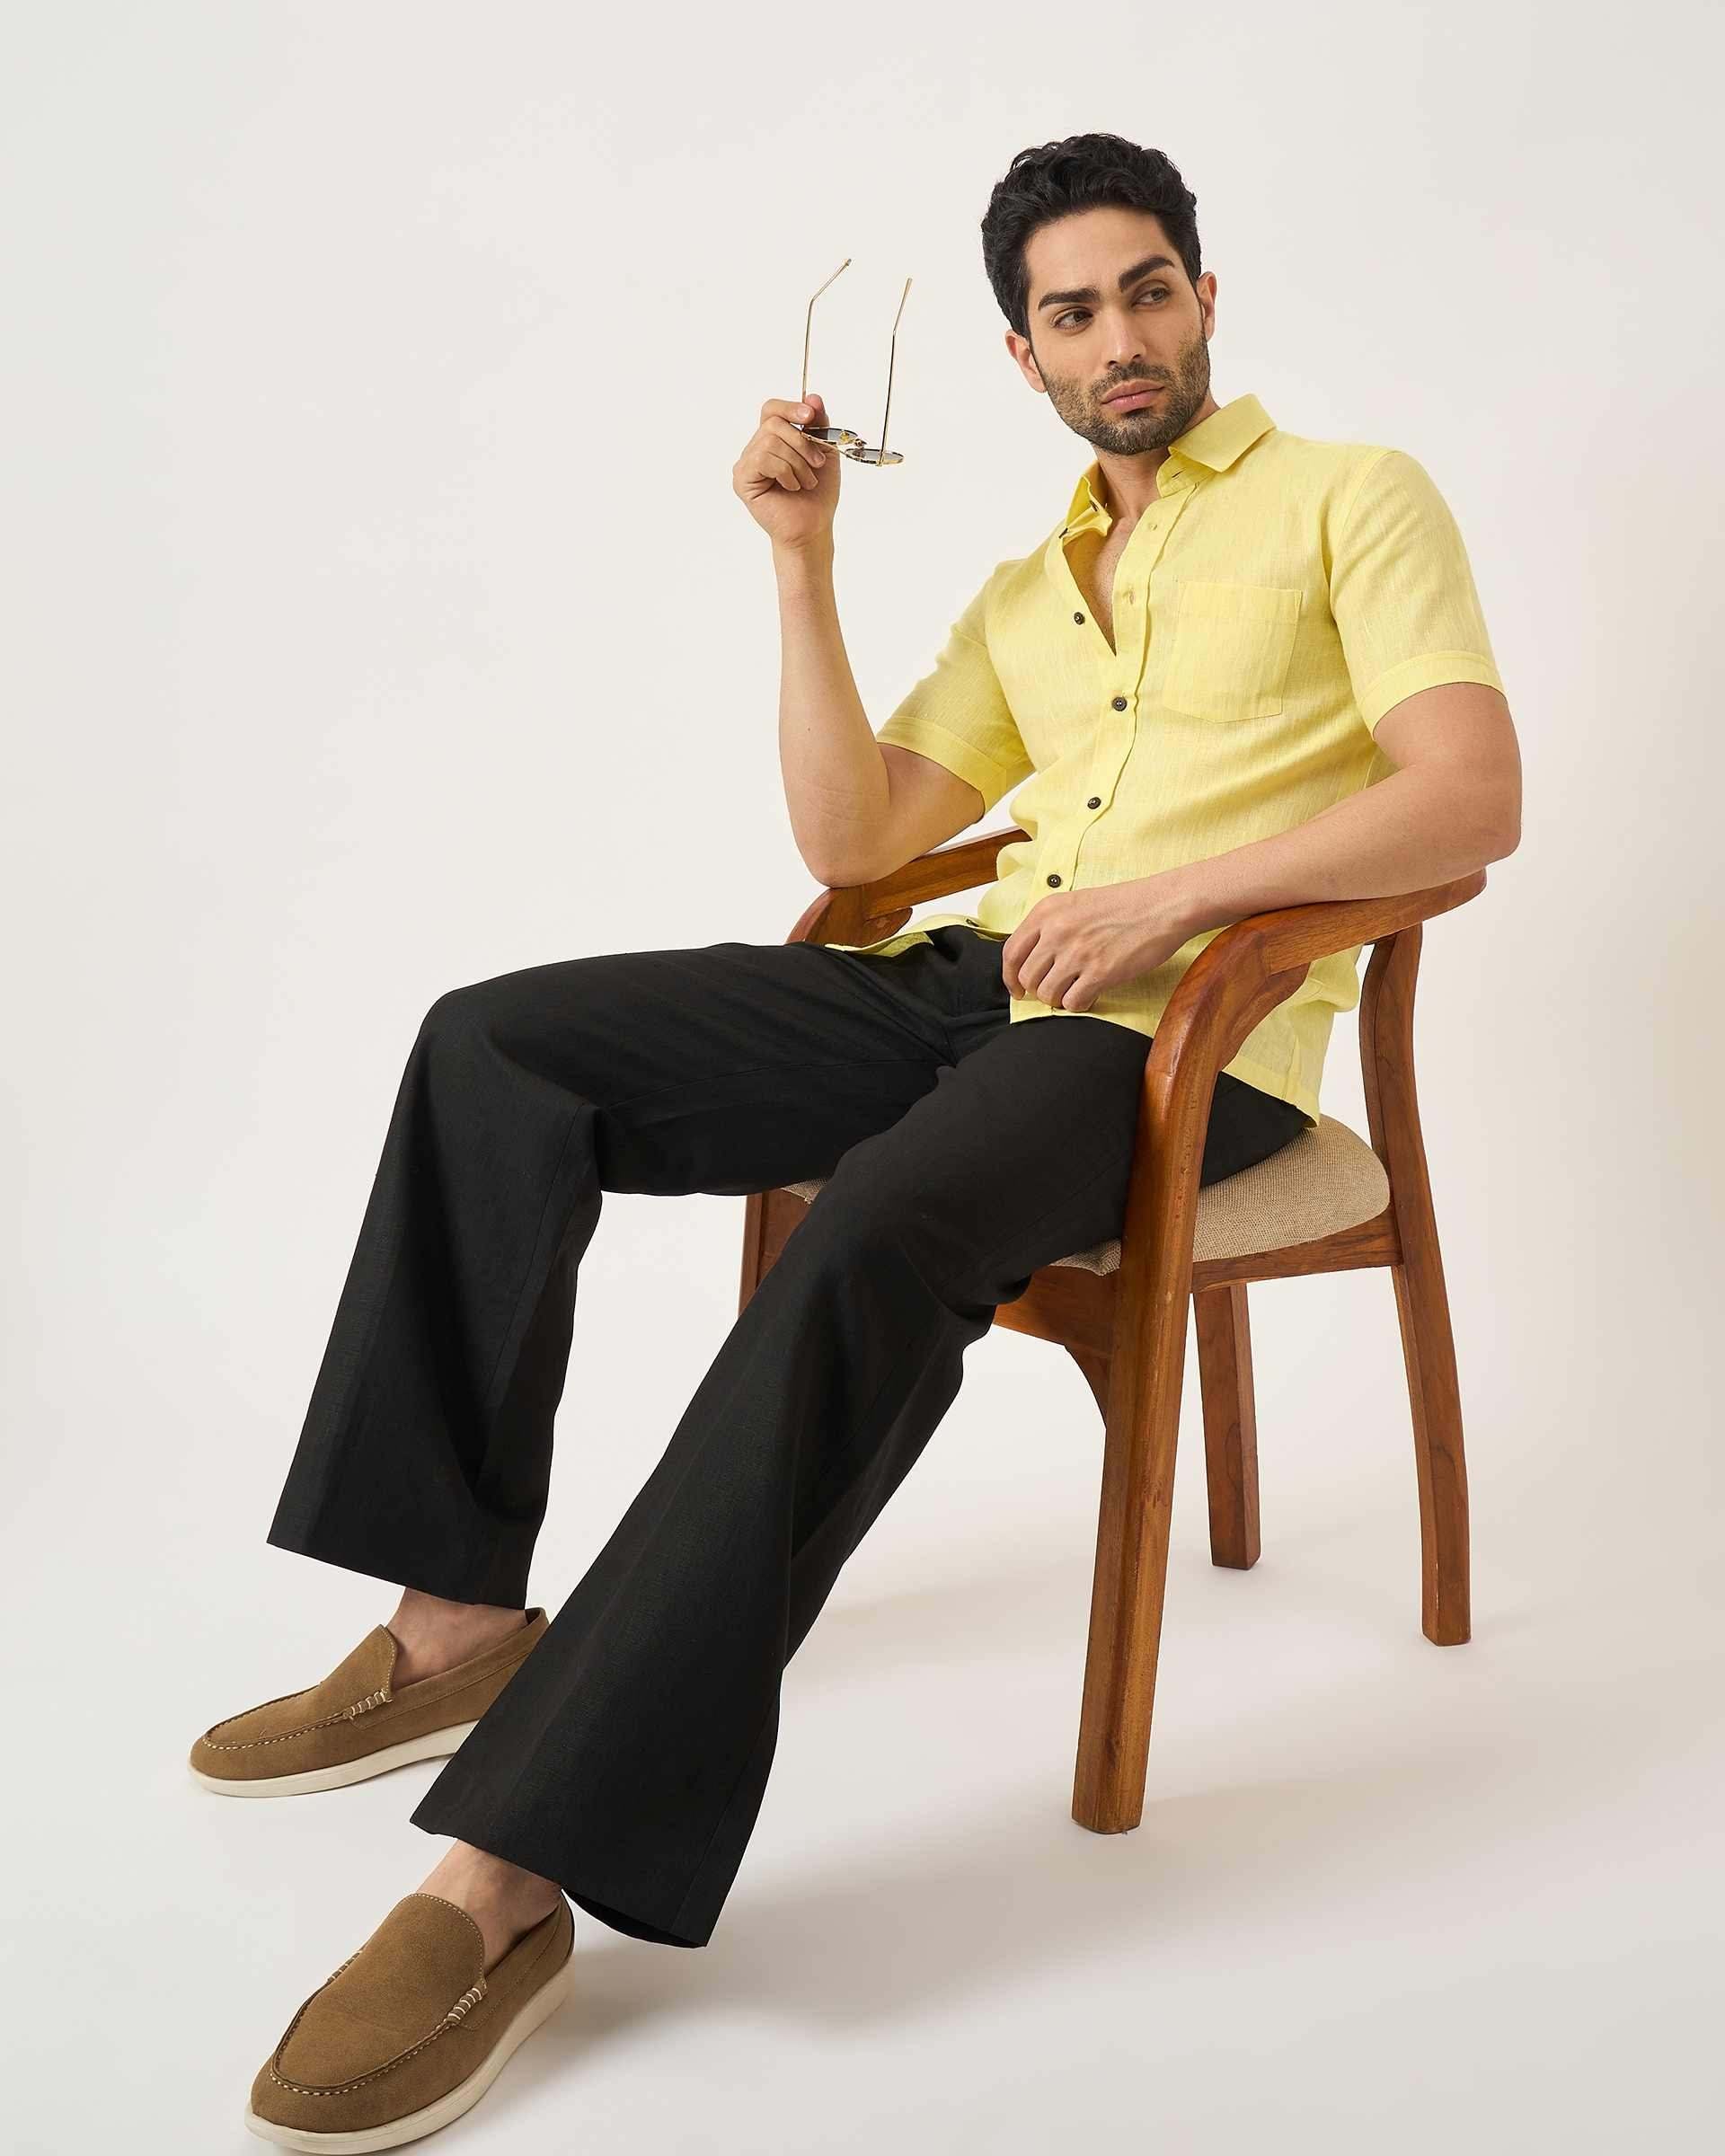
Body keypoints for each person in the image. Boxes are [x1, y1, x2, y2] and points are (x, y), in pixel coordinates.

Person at [195, 132, 1521, 2151]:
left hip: (1183, 1042)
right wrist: (803, 567)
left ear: (1208, 298)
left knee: (886, 1226)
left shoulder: (1355, 501)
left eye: (1150, 288)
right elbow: (855, 842)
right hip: (969, 985)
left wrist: (1182, 900)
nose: (1122, 334)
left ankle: (505, 1877)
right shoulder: (1034, 584)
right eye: (1073, 311)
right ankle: (458, 1621)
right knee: (498, 1050)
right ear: (1024, 356)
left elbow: (1469, 799)